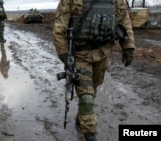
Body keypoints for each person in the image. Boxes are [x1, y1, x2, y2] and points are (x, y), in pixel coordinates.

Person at [53, 0, 135, 141]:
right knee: (86, 97)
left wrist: (128, 46)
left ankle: (82, 116)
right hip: (79, 55)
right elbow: (59, 30)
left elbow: (124, 20)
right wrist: (65, 56)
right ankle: (89, 133)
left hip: (103, 54)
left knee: (93, 89)